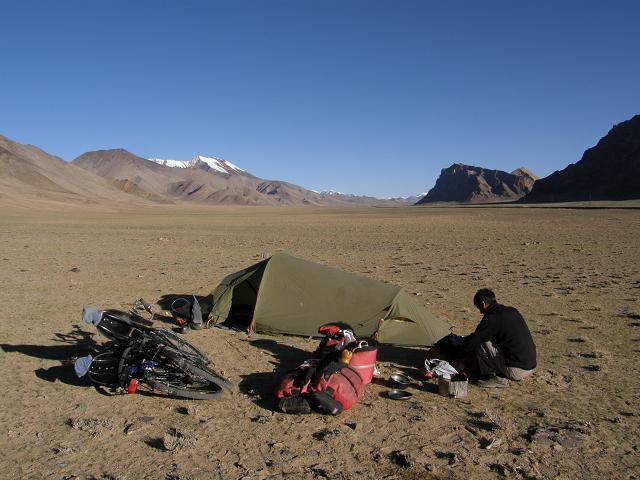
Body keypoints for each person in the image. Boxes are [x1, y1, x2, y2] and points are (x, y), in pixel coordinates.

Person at [462, 289, 536, 388]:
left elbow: (473, 342)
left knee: (483, 343)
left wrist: (460, 349)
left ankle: (494, 377)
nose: (480, 311)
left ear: (483, 304)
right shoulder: (512, 311)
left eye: (478, 307)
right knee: (487, 339)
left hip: (516, 371)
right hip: (530, 365)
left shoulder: (492, 317)